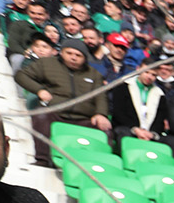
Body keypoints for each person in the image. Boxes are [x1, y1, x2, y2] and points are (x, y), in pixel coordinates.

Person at [13, 37, 110, 166]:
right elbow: (21, 75)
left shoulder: (94, 74)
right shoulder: (46, 64)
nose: (73, 58)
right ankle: (43, 159)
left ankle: (99, 165)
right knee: (41, 116)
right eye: (69, 53)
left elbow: (100, 95)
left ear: (84, 58)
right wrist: (40, 90)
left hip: (84, 118)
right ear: (61, 52)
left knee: (106, 129)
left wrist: (101, 114)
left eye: (78, 55)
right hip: (55, 112)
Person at [108, 63, 174, 151]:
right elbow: (119, 113)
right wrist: (135, 129)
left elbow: (160, 119)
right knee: (123, 133)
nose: (149, 77)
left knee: (172, 141)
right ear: (138, 69)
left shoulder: (160, 94)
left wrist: (151, 134)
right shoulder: (123, 87)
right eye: (146, 72)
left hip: (149, 133)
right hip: (128, 128)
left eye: (153, 75)